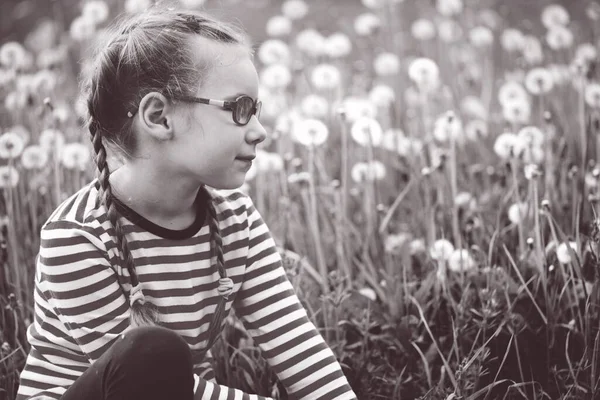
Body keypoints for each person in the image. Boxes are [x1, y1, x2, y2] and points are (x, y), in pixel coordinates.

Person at [16, 5, 357, 400]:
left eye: (256, 111)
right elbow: (149, 383)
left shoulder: (236, 221)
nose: (260, 132)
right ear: (160, 117)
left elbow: (297, 344)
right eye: (240, 109)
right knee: (150, 354)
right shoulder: (77, 239)